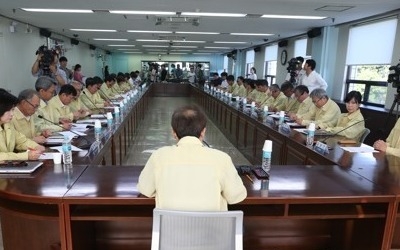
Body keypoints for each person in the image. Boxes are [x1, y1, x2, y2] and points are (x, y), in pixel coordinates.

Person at [137, 105, 247, 211]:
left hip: (172, 229)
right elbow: (235, 197)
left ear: (173, 133)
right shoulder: (222, 159)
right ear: (203, 132)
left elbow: (145, 189)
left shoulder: (159, 156)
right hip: (212, 229)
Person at [0, 89, 45, 162]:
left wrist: (36, 146)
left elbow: (21, 140)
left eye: (13, 110)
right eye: (9, 110)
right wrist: (25, 156)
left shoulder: (7, 124)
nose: (12, 114)